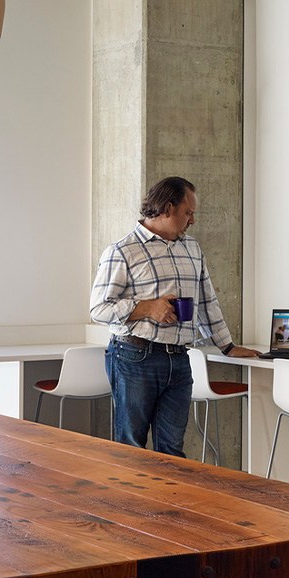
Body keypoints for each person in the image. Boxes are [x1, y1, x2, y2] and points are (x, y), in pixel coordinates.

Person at [90, 176, 260, 454]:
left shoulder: (192, 248)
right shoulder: (122, 251)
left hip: (179, 359)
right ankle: (135, 500)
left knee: (173, 450)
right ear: (168, 208)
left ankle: (168, 500)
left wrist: (227, 346)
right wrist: (146, 307)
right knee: (131, 448)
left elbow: (206, 300)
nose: (192, 220)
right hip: (134, 358)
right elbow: (99, 308)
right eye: (188, 213)